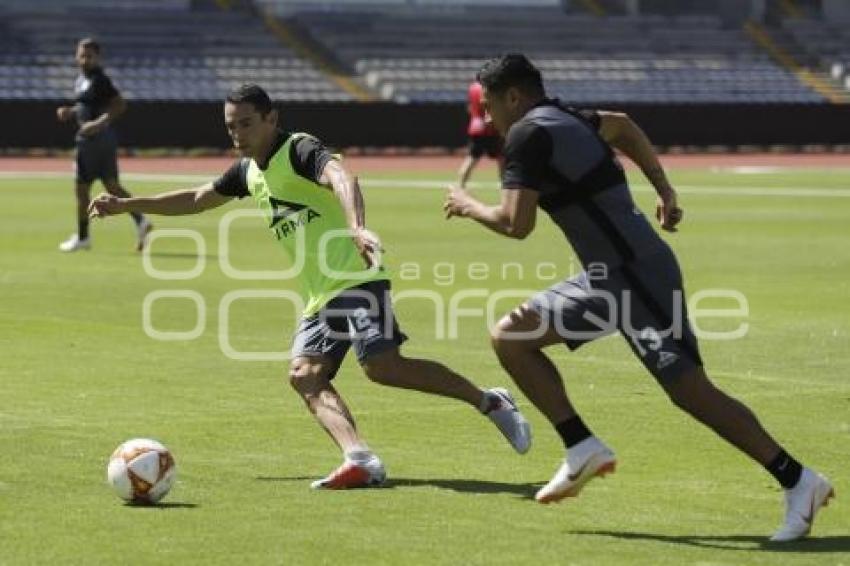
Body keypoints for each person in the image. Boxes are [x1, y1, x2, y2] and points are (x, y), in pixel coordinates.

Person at [443, 54, 834, 542]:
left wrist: (467, 204)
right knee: (511, 337)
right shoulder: (570, 117)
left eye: (491, 108)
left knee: (691, 392)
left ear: (514, 97)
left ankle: (799, 480)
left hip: (637, 277)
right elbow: (624, 127)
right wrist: (664, 188)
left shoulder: (526, 134)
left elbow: (515, 224)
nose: (490, 122)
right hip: (606, 278)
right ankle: (581, 445)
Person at [89, 83, 531, 490]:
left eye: (245, 123)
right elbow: (197, 198)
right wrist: (128, 204)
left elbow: (342, 177)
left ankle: (489, 401)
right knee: (305, 376)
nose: (237, 134)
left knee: (382, 367)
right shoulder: (248, 172)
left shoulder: (298, 149)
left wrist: (357, 227)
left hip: (357, 276)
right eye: (230, 126)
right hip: (320, 295)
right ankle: (360, 458)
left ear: (271, 119)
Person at [56, 38, 151, 252]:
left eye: (89, 56)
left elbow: (119, 105)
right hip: (101, 141)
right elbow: (86, 105)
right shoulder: (82, 79)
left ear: (97, 57)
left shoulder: (100, 79)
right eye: (81, 55)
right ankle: (141, 220)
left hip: (94, 141)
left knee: (81, 189)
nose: (84, 59)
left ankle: (83, 238)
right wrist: (70, 112)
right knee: (112, 186)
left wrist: (97, 124)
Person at [456, 81, 503, 190]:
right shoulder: (486, 88)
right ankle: (505, 185)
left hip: (475, 126)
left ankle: (460, 185)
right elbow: (488, 106)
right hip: (489, 128)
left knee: (472, 158)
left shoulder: (472, 87)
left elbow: (470, 107)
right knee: (502, 158)